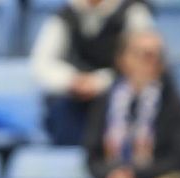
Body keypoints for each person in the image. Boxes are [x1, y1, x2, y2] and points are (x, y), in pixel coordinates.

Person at [84, 28, 180, 178]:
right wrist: (112, 174)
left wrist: (134, 175)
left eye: (155, 56)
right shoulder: (106, 101)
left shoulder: (174, 104)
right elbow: (92, 155)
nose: (150, 62)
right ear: (123, 60)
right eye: (143, 55)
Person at [31, 0, 155, 146]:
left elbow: (145, 62)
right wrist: (71, 80)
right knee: (61, 110)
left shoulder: (133, 12)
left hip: (119, 97)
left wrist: (100, 82)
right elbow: (41, 64)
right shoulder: (65, 15)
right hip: (73, 101)